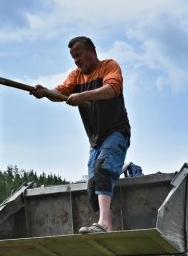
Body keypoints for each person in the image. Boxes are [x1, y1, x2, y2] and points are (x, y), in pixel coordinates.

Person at [32, 36, 131, 234]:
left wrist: (83, 96)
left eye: (79, 55)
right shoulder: (75, 76)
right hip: (95, 140)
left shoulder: (108, 66)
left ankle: (103, 223)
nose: (76, 60)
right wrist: (45, 92)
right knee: (92, 185)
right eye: (73, 57)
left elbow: (112, 89)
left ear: (92, 52)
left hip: (116, 131)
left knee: (103, 168)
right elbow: (60, 93)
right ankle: (107, 225)